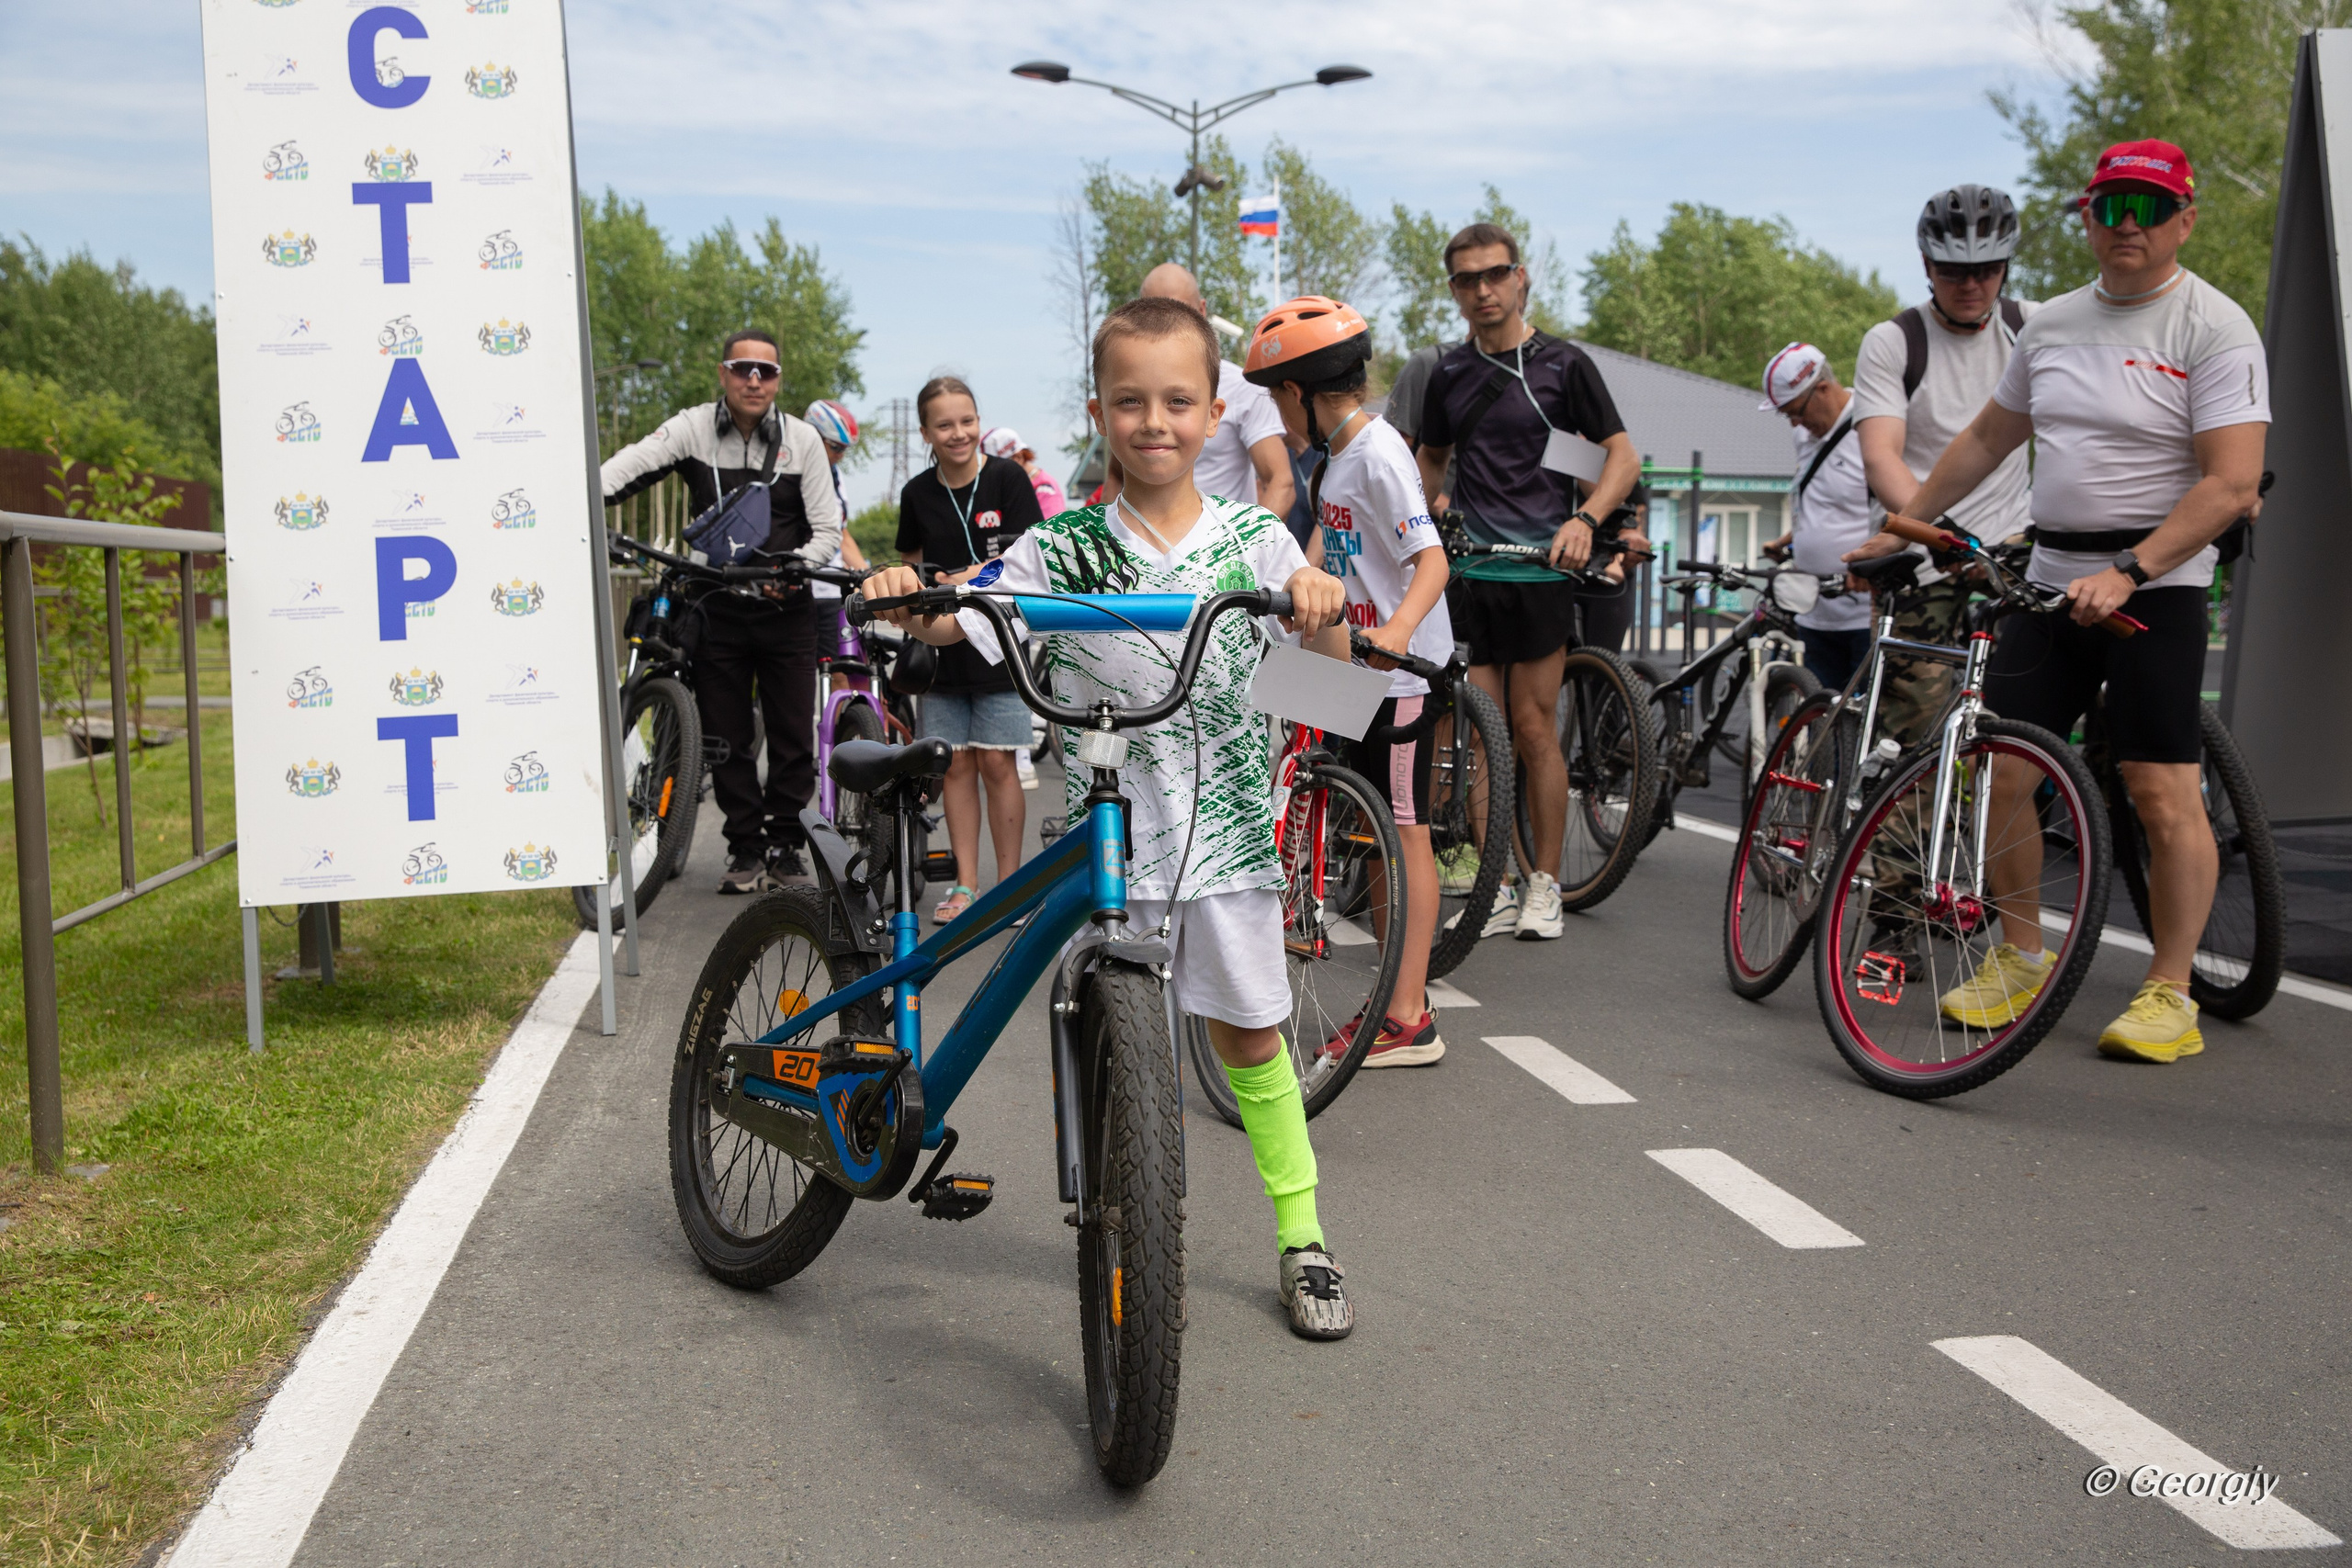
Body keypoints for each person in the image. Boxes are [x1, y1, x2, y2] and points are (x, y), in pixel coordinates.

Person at [868, 296, 1356, 1338]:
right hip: (1107, 853)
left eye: (1178, 401)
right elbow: (965, 619)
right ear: (1098, 413)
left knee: (1252, 1039)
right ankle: (1114, 1221)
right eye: (1130, 401)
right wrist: (913, 598)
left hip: (1226, 847)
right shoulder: (1062, 549)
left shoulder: (1257, 542)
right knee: (1103, 1045)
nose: (1154, 421)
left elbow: (1329, 691)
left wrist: (1321, 607)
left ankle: (1303, 1236)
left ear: (1215, 413)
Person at [1850, 139, 2268, 1065]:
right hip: (2046, 577)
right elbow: (1987, 438)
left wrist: (2131, 569)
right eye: (2109, 208)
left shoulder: (2214, 325)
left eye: (2148, 210)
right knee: (2004, 771)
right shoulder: (2053, 325)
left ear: (2185, 221)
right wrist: (1906, 529)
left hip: (2156, 584)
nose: (2127, 226)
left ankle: (2170, 990)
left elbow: (2232, 483)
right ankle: (2019, 955)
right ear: (2087, 219)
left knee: (2158, 786)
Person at [1413, 222, 1643, 940]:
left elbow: (1622, 458)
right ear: (1454, 290)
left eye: (1494, 274)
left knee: (1535, 727)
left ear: (1520, 278)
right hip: (1473, 571)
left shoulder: (1564, 366)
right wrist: (1422, 514)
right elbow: (1430, 459)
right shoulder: (1449, 373)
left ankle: (1545, 883)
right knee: (1484, 737)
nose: (1482, 290)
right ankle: (1499, 884)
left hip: (1542, 572)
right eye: (1467, 279)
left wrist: (1589, 520)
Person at [1245, 293, 1454, 1067]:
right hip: (1350, 663)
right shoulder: (1337, 457)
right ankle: (1336, 954)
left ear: (1298, 390)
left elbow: (1431, 561)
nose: (1278, 415)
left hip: (1396, 678)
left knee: (1404, 830)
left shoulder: (1378, 455)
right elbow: (1323, 552)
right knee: (1311, 776)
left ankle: (1408, 1016)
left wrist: (1397, 634)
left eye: (1276, 399)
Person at [602, 331, 842, 894]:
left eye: (766, 371)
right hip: (715, 606)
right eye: (742, 368)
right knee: (726, 737)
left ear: (778, 379)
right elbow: (620, 472)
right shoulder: (691, 429)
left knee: (791, 736)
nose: (754, 380)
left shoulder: (803, 440)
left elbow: (827, 530)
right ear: (723, 373)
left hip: (785, 606)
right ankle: (745, 847)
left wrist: (796, 566)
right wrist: (580, 504)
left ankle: (785, 846)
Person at [1849, 186, 2037, 740]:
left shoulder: (2033, 329)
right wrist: (1938, 535)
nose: (1971, 285)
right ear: (1927, 265)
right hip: (1924, 554)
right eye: (1954, 271)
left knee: (2027, 717)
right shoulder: (1894, 342)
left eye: (1987, 270)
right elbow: (1881, 455)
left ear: (2006, 266)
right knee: (1913, 736)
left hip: (2009, 550)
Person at [896, 378, 1042, 923]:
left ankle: (1010, 888)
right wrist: (916, 587)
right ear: (925, 433)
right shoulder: (917, 492)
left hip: (999, 641)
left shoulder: (1008, 478)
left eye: (967, 421)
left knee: (999, 763)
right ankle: (965, 885)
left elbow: (1032, 554)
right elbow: (909, 563)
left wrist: (967, 577)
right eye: (944, 425)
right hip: (940, 646)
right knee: (955, 765)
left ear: (979, 421)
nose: (958, 433)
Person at [1131, 263, 1296, 520]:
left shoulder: (1242, 388)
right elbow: (1116, 475)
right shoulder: (1126, 393)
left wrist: (1244, 542)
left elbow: (1280, 483)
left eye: (1178, 313)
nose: (1164, 327)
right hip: (1142, 541)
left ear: (1202, 310)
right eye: (1151, 316)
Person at [1758, 343, 1875, 689]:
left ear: (1823, 389)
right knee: (1816, 713)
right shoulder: (1805, 434)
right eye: (1786, 416)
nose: (1795, 423)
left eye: (1796, 412)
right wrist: (1788, 540)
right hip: (1813, 611)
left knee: (1862, 713)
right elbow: (1823, 499)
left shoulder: (1871, 428)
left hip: (1862, 616)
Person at [805, 399, 873, 694]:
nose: (841, 456)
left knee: (841, 675)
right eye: (836, 447)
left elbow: (841, 534)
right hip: (799, 587)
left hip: (829, 590)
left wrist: (869, 575)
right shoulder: (791, 473)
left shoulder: (836, 476)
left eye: (845, 449)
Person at [982, 427, 1069, 518]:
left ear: (1017, 458)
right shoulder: (1017, 488)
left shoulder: (1045, 488)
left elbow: (1053, 526)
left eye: (997, 468)